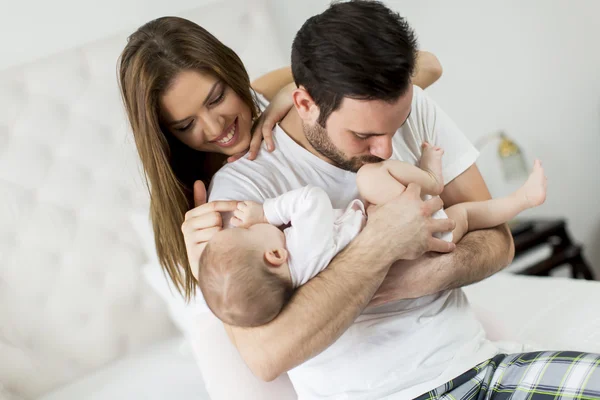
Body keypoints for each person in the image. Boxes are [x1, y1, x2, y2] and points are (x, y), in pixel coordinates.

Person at [184, 2, 600, 399]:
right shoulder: (241, 196)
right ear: (305, 103)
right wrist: (381, 245)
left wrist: (421, 275)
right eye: (363, 136)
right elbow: (265, 357)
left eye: (395, 127)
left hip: (483, 366)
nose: (386, 150)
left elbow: (499, 242)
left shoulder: (409, 103)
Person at [118, 11, 446, 400]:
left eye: (218, 97)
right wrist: (200, 264)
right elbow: (263, 353)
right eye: (186, 125)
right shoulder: (207, 204)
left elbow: (426, 65)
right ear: (166, 134)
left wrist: (287, 96)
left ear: (230, 71)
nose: (213, 127)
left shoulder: (272, 100)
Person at [199, 150, 547, 329]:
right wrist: (265, 212)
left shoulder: (299, 282)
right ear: (274, 255)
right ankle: (516, 199)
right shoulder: (303, 247)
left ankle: (503, 196)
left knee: (466, 216)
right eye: (247, 235)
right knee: (373, 177)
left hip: (393, 234)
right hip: (413, 237)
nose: (248, 226)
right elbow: (311, 199)